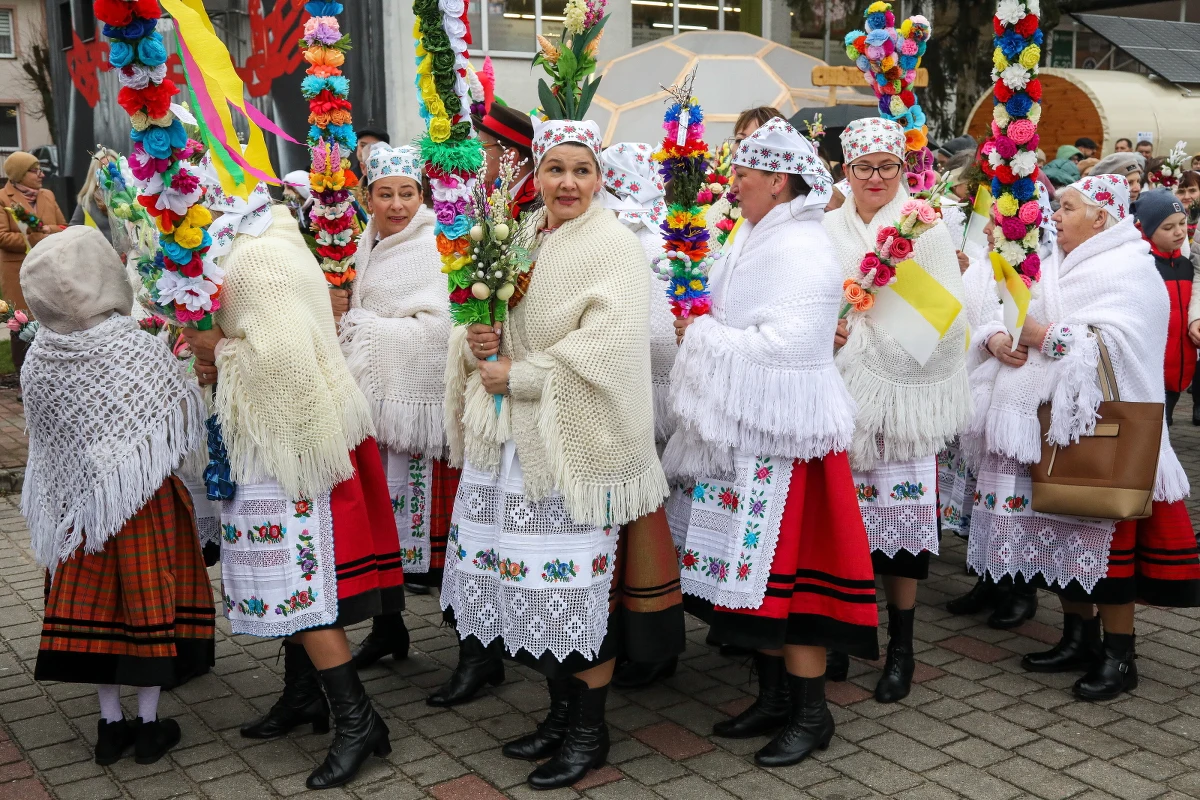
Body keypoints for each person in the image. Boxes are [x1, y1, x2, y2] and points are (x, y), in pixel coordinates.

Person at [442, 118, 683, 789]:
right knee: (531, 587)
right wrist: (479, 339)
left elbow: (606, 349)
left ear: (600, 176)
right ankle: (558, 713)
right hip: (517, 444)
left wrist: (516, 373)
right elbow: (494, 317)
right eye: (555, 169)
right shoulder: (521, 235)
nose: (567, 182)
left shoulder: (613, 245)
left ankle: (589, 730)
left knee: (575, 592)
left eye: (581, 169)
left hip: (576, 447)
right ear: (535, 174)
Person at [181, 161, 402, 790]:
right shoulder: (258, 237)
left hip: (288, 442)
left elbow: (277, 354)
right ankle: (304, 695)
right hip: (274, 438)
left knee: (298, 587)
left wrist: (212, 348)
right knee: (286, 582)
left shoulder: (257, 258)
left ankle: (359, 722)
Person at [665, 117, 877, 766]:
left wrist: (701, 338)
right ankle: (773, 697)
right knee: (752, 588)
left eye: (745, 174)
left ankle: (811, 715)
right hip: (748, 440)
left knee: (795, 590)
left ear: (778, 182)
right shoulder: (753, 233)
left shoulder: (801, 249)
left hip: (790, 451)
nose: (735, 184)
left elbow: (791, 346)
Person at [965, 173, 1200, 701]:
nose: (1055, 216)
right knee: (1060, 534)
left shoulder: (1130, 267)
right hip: (1054, 423)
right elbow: (1002, 310)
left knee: (1108, 546)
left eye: (1067, 207)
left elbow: (1118, 341)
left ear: (1101, 217)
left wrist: (1043, 335)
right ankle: (1078, 636)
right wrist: (1001, 336)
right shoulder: (1052, 260)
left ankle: (1120, 656)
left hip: (1108, 431)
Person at [22, 227, 213, 765]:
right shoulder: (132, 345)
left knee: (98, 617)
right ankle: (149, 727)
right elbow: (175, 422)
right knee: (147, 606)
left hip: (75, 512)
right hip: (141, 502)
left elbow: (46, 437)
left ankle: (110, 725)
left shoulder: (39, 356)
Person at [823, 117, 970, 703]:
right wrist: (827, 330)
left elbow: (944, 317)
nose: (876, 178)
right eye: (864, 167)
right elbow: (817, 297)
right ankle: (839, 633)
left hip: (899, 399)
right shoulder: (826, 226)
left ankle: (901, 645)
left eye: (887, 167)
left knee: (898, 537)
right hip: (835, 397)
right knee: (841, 525)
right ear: (846, 171)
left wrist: (861, 337)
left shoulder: (924, 226)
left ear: (902, 170)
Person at [337, 144, 461, 670]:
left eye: (407, 194)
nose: (396, 205)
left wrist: (363, 328)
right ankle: (389, 630)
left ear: (422, 196)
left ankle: (475, 651)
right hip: (373, 413)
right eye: (385, 194)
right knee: (382, 535)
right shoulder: (361, 246)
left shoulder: (433, 246)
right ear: (368, 198)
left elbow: (440, 329)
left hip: (418, 414)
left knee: (447, 551)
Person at [946, 192, 1056, 623]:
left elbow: (1034, 318)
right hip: (980, 392)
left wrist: (1006, 335)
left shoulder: (1044, 268)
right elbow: (965, 317)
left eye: (997, 222)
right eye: (989, 221)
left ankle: (1021, 587)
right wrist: (987, 338)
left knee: (1015, 495)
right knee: (982, 495)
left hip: (1018, 398)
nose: (988, 229)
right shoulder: (980, 265)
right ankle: (987, 578)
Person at [596, 141, 679, 690]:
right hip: (653, 393)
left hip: (631, 395)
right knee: (646, 522)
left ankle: (639, 643)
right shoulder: (672, 228)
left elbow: (653, 328)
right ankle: (646, 641)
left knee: (632, 525)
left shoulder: (625, 232)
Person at [0, 151, 67, 374]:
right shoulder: (2, 198)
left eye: (40, 169)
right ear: (19, 175)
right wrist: (32, 238)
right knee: (22, 323)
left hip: (50, 267)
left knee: (53, 319)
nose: (41, 174)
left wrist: (49, 230)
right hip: (19, 270)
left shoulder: (47, 195)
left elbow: (62, 226)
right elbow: (2, 237)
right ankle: (23, 376)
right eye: (34, 170)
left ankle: (53, 372)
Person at [1136, 190, 1195, 424]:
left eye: (1182, 223)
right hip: (1152, 370)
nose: (1179, 231)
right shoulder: (1143, 266)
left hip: (1179, 368)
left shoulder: (1186, 266)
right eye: (1168, 228)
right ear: (1149, 231)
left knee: (1166, 421)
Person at [473, 103, 539, 216]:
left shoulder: (537, 209)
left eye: (481, 148)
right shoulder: (495, 192)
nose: (474, 156)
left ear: (510, 156)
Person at [69, 148, 119, 243]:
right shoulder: (87, 201)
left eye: (114, 168)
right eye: (104, 170)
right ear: (95, 174)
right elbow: (72, 232)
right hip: (100, 255)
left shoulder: (131, 198)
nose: (110, 174)